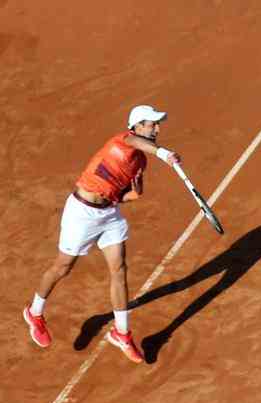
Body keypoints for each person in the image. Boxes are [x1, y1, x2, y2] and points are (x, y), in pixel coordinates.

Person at [22, 104, 182, 363]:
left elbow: (129, 195)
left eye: (157, 123)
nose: (157, 127)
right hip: (81, 214)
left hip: (109, 215)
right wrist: (164, 153)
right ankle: (34, 312)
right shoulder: (124, 140)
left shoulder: (140, 161)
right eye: (152, 123)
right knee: (62, 267)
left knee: (119, 271)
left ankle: (122, 334)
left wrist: (134, 193)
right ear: (137, 126)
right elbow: (138, 143)